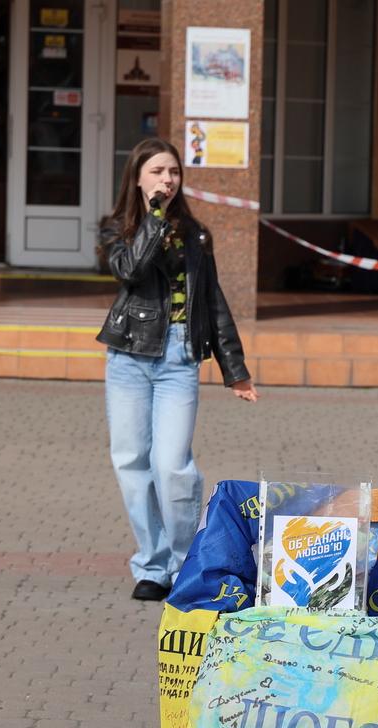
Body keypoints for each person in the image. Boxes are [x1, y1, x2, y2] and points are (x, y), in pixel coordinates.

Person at [97, 138, 258, 602]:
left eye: (174, 172)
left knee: (173, 467)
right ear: (138, 178)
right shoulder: (118, 229)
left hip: (179, 360)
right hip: (127, 358)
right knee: (132, 463)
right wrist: (153, 218)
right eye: (157, 172)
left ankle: (189, 564)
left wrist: (235, 369)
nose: (168, 180)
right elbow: (130, 270)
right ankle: (152, 565)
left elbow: (214, 301)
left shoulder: (196, 234)